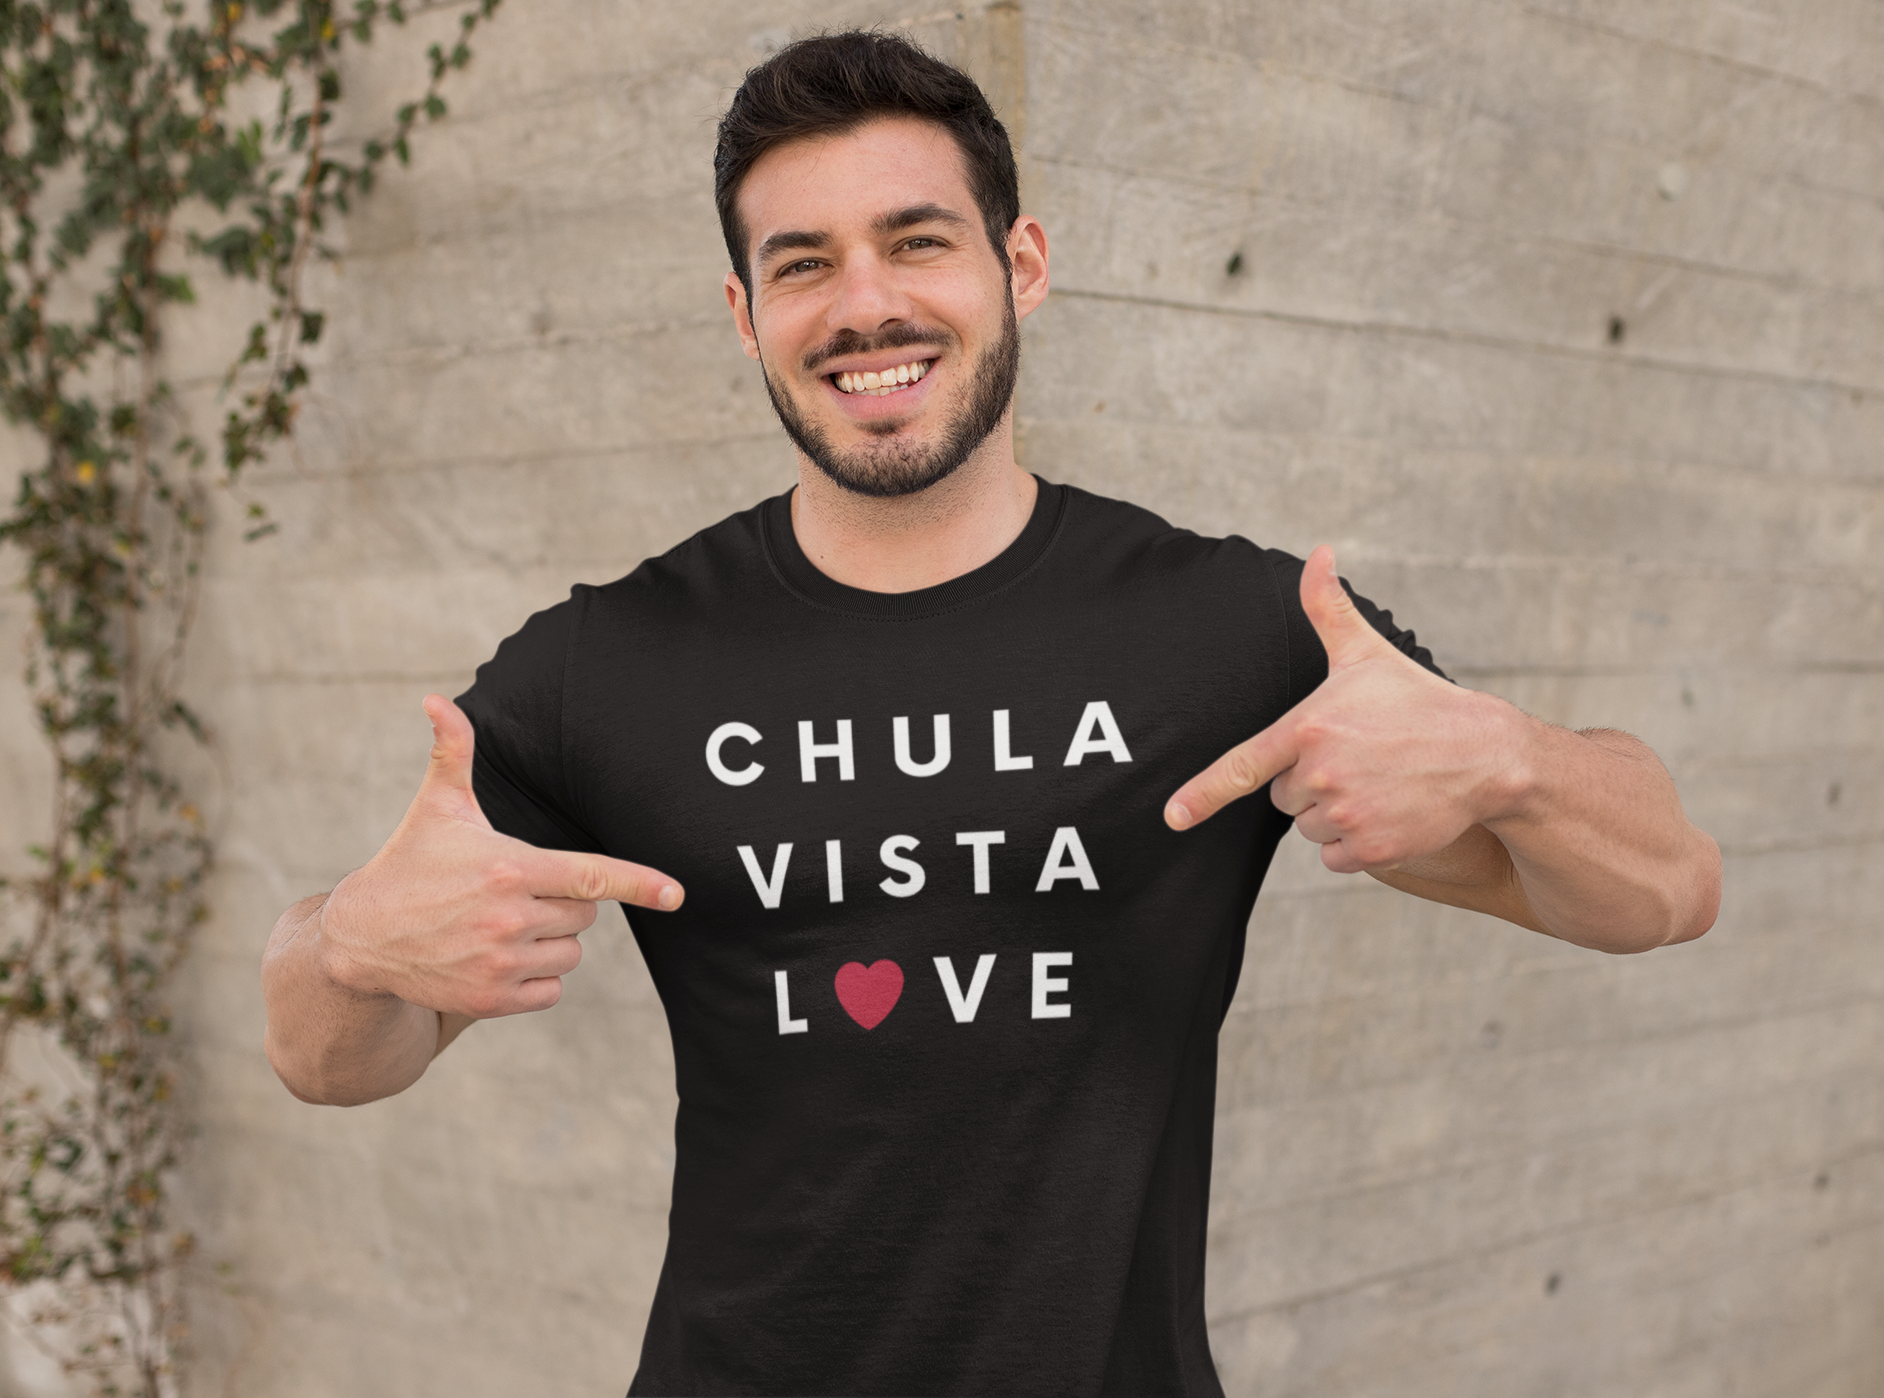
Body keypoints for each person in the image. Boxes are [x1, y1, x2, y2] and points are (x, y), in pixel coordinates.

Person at [262, 30, 1721, 1397]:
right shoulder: (611, 662)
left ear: (1020, 261)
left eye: (916, 241)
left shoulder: (1228, 632)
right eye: (803, 264)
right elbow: (328, 1056)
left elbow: (1663, 888)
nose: (865, 307)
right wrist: (346, 946)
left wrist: (1511, 762)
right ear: (744, 313)